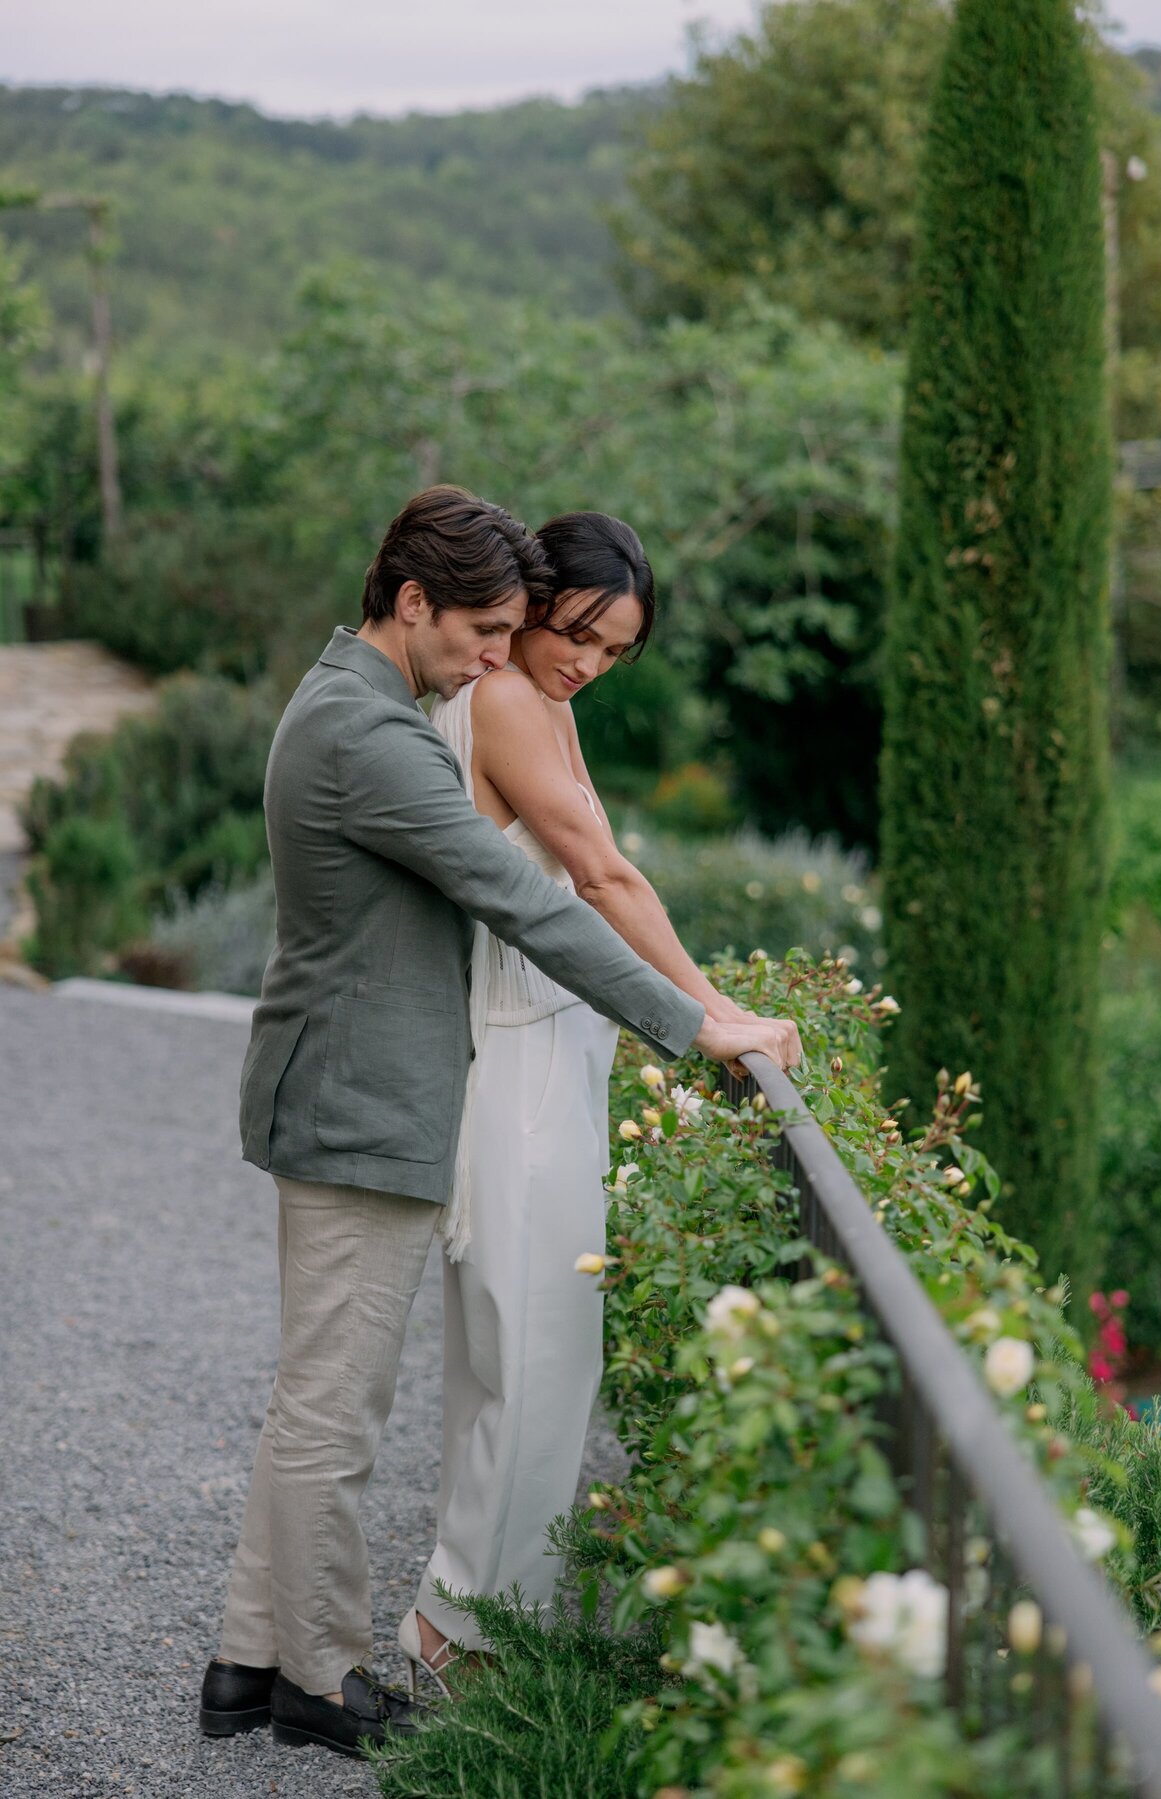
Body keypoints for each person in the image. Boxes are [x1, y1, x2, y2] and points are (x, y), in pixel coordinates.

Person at [198, 485, 800, 1760]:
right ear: (411, 603)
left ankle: (250, 1656)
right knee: (335, 1411)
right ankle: (318, 1673)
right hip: (365, 1103)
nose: (494, 661)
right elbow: (530, 902)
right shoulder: (374, 734)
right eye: (483, 630)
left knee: (315, 1396)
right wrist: (699, 1024)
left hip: (353, 1093)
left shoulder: (364, 704)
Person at [399, 510, 769, 1695]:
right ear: (540, 596)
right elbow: (600, 876)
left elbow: (598, 869)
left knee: (522, 1360)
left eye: (615, 651)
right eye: (579, 634)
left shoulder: (541, 700)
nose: (588, 665)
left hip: (556, 1049)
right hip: (513, 1061)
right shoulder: (505, 700)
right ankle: (460, 1638)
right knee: (535, 1357)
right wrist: (716, 1014)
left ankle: (475, 1621)